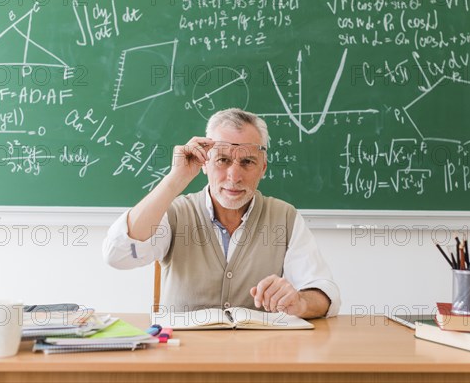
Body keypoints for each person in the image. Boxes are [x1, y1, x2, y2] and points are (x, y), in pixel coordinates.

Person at [103, 108, 340, 318]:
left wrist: (299, 303)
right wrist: (176, 179)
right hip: (182, 357)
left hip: (258, 358)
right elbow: (118, 255)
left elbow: (325, 295)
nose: (234, 176)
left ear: (263, 168)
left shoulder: (284, 217)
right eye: (222, 160)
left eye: (247, 162)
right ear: (204, 163)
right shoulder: (173, 213)